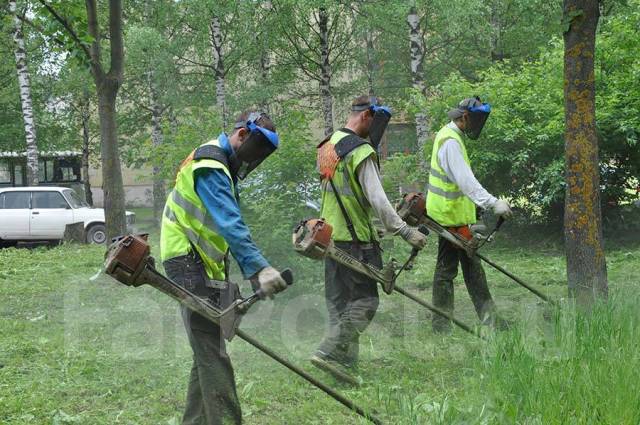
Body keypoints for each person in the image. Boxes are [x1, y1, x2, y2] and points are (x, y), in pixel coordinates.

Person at [160, 111, 288, 425]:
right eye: (255, 149)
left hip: (198, 264)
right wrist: (260, 268)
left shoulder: (218, 165)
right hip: (186, 262)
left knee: (207, 350)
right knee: (212, 352)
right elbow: (230, 224)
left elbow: (216, 232)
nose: (254, 159)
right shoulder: (211, 164)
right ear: (241, 135)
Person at [311, 95, 428, 378]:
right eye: (378, 123)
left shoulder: (327, 146)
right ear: (367, 116)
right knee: (365, 301)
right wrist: (405, 230)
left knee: (340, 305)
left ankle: (344, 367)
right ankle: (329, 349)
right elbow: (378, 198)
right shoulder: (360, 150)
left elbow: (342, 196)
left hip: (329, 236)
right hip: (355, 241)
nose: (377, 132)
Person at [426, 96, 512, 333]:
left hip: (453, 216)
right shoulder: (451, 142)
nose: (477, 126)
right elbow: (466, 182)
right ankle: (442, 326)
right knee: (448, 271)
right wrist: (493, 203)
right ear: (464, 117)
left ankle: (489, 321)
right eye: (475, 120)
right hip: (448, 217)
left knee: (469, 266)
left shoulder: (451, 136)